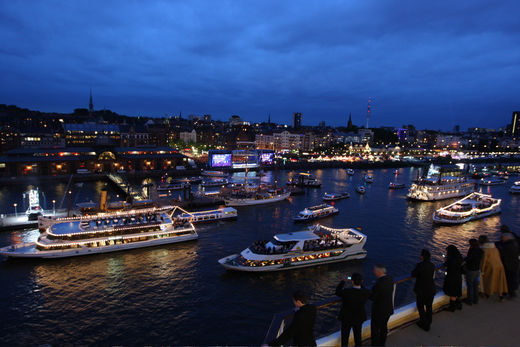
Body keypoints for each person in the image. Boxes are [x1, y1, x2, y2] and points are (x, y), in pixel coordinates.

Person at [335, 273, 370, 346]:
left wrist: (343, 281)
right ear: (362, 281)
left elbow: (337, 291)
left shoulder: (347, 292)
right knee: (358, 337)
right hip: (359, 317)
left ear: (352, 281)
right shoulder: (365, 292)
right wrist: (359, 282)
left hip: (347, 318)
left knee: (345, 337)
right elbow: (363, 288)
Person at [369, 264, 394, 346]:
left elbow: (373, 297)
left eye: (375, 270)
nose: (373, 271)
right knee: (383, 328)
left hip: (379, 311)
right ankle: (382, 344)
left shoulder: (378, 284)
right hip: (388, 309)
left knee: (375, 330)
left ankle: (375, 344)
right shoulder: (390, 279)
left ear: (379, 272)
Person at [411, 249, 436, 331]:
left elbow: (413, 274)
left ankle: (424, 323)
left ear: (422, 257)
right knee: (429, 306)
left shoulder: (420, 265)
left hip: (422, 290)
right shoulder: (432, 265)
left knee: (420, 306)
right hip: (431, 288)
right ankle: (429, 322)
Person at [479, 235, 508, 300]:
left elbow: (484, 261)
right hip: (500, 265)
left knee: (488, 280)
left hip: (491, 267)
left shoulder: (484, 250)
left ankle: (488, 293)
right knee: (499, 280)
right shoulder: (495, 248)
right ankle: (501, 295)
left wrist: (482, 270)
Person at [443, 245, 463, 312]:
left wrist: (445, 260)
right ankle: (459, 305)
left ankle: (452, 307)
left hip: (452, 277)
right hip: (458, 276)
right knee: (457, 290)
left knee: (452, 292)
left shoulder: (450, 259)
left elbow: (446, 265)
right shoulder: (459, 257)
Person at [464, 239, 483, 305]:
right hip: (477, 269)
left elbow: (468, 259)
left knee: (470, 285)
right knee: (475, 285)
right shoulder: (480, 250)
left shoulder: (472, 250)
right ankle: (476, 300)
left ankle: (470, 300)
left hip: (471, 269)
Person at [499, 233, 519, 298]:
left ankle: (510, 292)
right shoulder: (515, 244)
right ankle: (513, 291)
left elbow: (503, 254)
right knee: (513, 278)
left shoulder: (506, 246)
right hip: (515, 263)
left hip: (508, 265)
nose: (501, 239)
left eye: (502, 238)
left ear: (506, 238)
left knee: (509, 279)